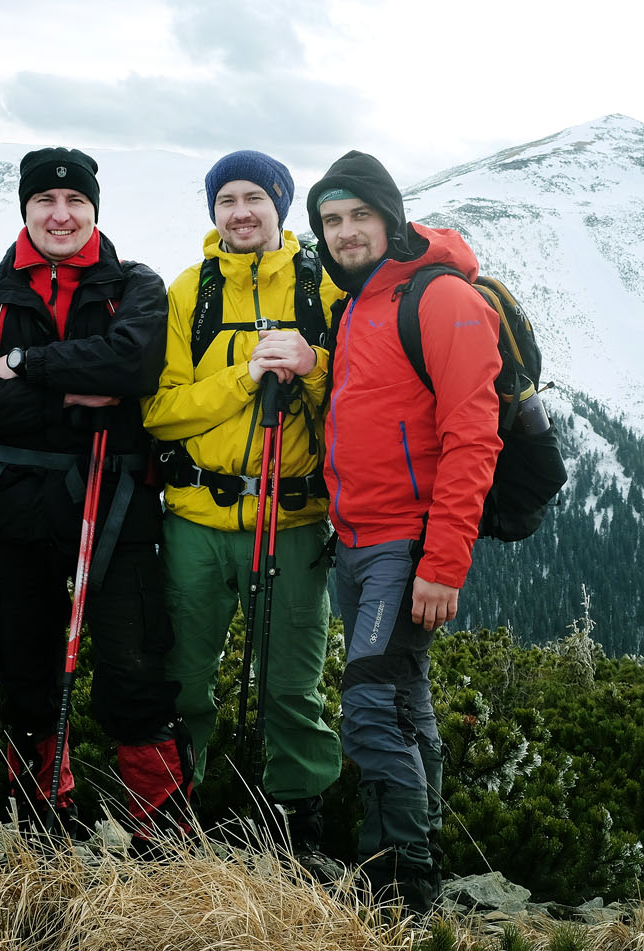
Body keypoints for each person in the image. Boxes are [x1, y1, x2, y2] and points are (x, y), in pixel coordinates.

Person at [0, 147, 190, 847]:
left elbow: (133, 363)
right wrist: (81, 401)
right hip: (18, 506)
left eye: (76, 201)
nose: (60, 213)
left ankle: (159, 836)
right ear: (25, 209)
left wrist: (24, 365)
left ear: (94, 209)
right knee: (24, 669)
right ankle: (46, 823)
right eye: (45, 201)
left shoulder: (134, 284)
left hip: (117, 507)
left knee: (134, 668)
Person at [306, 150, 504, 912]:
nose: (346, 232)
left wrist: (444, 560)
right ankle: (416, 868)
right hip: (355, 541)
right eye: (332, 220)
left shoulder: (439, 296)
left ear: (391, 218)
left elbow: (472, 435)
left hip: (404, 546)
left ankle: (397, 885)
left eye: (360, 215)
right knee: (402, 704)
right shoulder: (359, 302)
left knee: (367, 708)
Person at [141, 151, 342, 873]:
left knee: (292, 683)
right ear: (213, 211)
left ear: (281, 205)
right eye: (226, 199)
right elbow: (161, 412)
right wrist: (244, 372)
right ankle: (170, 811)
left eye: (255, 196)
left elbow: (359, 398)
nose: (241, 212)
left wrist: (312, 367)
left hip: (291, 523)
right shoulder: (188, 292)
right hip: (195, 518)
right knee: (182, 678)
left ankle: (293, 822)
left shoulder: (322, 287)